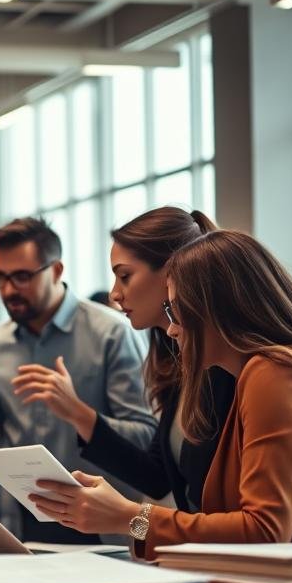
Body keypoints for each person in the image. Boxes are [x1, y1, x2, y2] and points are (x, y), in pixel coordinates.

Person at [29, 230, 292, 559]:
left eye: (175, 311)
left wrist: (130, 517)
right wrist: (128, 518)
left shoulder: (276, 374)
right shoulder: (260, 374)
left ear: (216, 307)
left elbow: (263, 533)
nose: (171, 330)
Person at [0, 217, 156, 543]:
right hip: (23, 526)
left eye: (22, 277)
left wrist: (78, 412)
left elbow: (145, 438)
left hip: (103, 529)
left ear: (56, 271)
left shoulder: (111, 333)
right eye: (0, 277)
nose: (9, 290)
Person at [70, 208, 235, 514]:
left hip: (226, 555)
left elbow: (252, 526)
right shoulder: (178, 364)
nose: (115, 294)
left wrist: (128, 518)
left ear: (174, 272)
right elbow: (160, 479)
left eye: (125, 276)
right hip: (201, 554)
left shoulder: (231, 369)